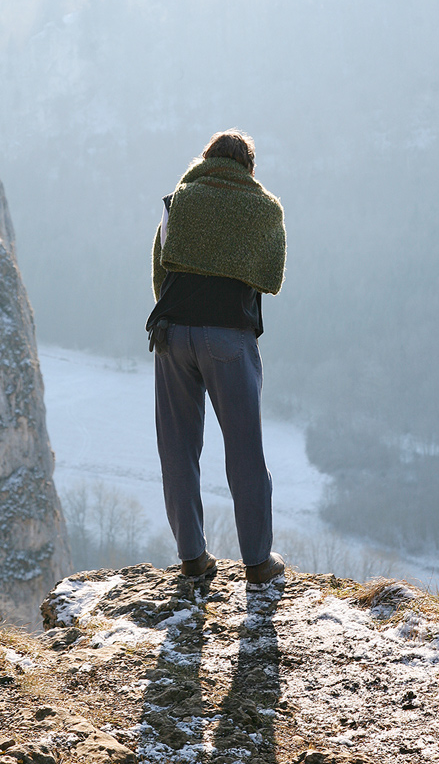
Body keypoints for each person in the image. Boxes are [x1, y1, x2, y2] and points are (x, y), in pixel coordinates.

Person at [146, 130, 287, 586]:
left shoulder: (177, 203)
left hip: (172, 333)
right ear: (248, 167)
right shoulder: (264, 209)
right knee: (244, 449)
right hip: (229, 336)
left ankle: (192, 558)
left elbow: (159, 269)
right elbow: (271, 274)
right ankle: (258, 564)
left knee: (178, 447)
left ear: (206, 160)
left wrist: (180, 319)